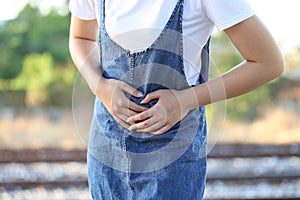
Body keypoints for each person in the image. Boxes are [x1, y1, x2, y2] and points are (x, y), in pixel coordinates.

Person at [69, 0, 284, 199]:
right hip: (106, 151)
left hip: (172, 159)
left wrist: (185, 100)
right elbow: (81, 38)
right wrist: (100, 86)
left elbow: (268, 62)